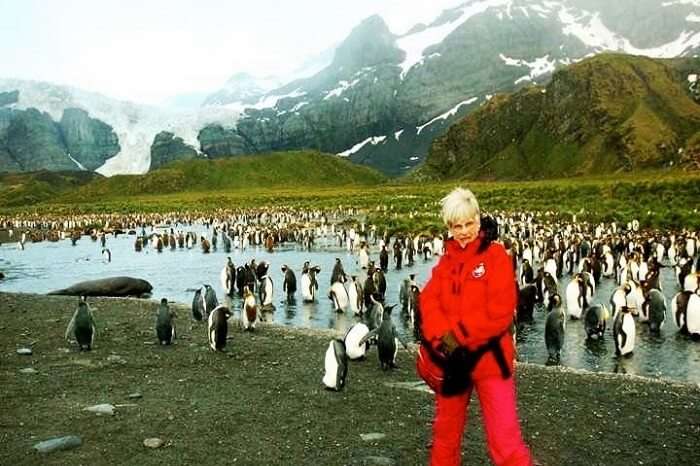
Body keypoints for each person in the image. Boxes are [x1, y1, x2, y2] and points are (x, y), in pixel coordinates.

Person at [417, 187, 533, 466]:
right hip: (454, 362)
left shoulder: (496, 257)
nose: (465, 231)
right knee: (445, 436)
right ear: (449, 227)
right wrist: (443, 342)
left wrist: (456, 337)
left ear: (479, 220)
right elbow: (428, 301)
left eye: (470, 223)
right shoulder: (446, 262)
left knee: (505, 441)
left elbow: (500, 313)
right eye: (458, 225)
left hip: (490, 361)